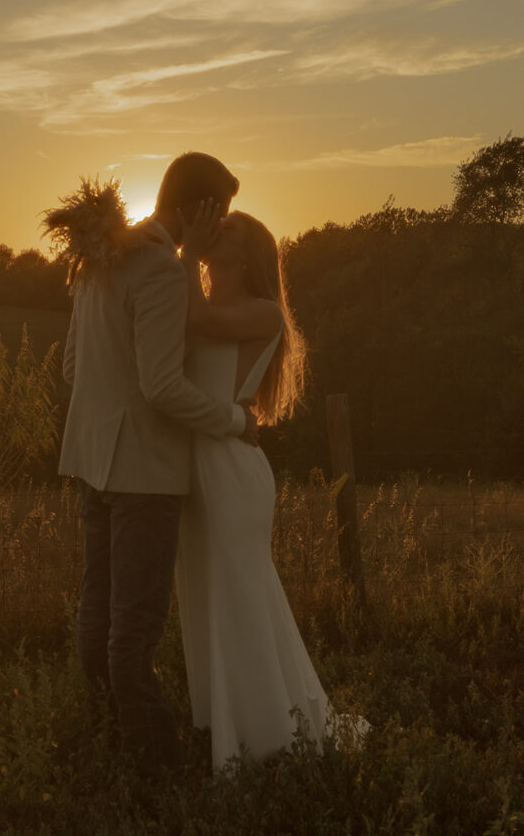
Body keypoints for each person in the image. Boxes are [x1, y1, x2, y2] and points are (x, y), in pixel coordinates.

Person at [43, 154, 258, 776]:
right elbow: (162, 386)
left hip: (94, 463)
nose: (221, 231)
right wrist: (236, 422)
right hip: (145, 474)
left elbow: (72, 369)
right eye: (218, 217)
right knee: (133, 633)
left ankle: (106, 735)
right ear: (200, 211)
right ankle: (159, 768)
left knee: (97, 610)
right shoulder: (161, 272)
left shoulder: (100, 260)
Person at [175, 200, 368, 768]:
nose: (214, 227)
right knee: (207, 594)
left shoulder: (264, 313)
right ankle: (223, 726)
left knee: (242, 598)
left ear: (247, 253)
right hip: (197, 464)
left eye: (226, 227)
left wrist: (184, 253)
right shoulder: (205, 297)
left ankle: (267, 738)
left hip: (232, 470)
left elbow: (199, 326)